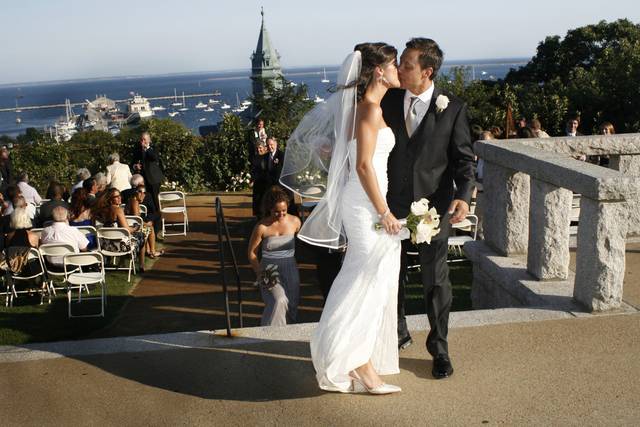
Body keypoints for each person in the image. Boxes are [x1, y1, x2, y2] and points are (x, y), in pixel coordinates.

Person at [281, 43, 405, 394]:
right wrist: (384, 213)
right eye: (393, 64)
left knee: (367, 278)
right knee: (364, 279)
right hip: (366, 205)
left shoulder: (367, 109)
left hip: (367, 200)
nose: (397, 71)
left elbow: (350, 159)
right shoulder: (367, 109)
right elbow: (364, 165)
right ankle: (360, 364)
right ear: (379, 71)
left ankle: (351, 355)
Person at [381, 38, 476, 379]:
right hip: (390, 209)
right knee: (391, 276)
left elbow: (464, 161)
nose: (400, 70)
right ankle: (397, 331)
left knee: (436, 282)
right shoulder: (388, 100)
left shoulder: (452, 108)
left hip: (432, 212)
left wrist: (463, 195)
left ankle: (439, 349)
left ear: (427, 71)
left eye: (406, 65)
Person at [247, 186, 301, 326]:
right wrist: (260, 273)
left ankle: (288, 336)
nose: (281, 214)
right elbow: (252, 253)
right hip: (269, 270)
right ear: (269, 209)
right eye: (277, 211)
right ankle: (270, 335)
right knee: (278, 301)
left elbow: (303, 243)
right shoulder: (262, 227)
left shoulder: (295, 221)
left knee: (292, 303)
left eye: (284, 210)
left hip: (290, 267)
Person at [92, 188, 146, 273]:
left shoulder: (99, 211)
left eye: (120, 195)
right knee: (141, 235)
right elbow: (127, 230)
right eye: (116, 197)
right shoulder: (118, 210)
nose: (120, 198)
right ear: (110, 199)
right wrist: (136, 227)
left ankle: (122, 262)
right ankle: (141, 265)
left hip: (103, 245)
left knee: (122, 237)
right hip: (120, 247)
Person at [125, 184, 163, 258]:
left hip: (129, 227)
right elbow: (137, 220)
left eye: (144, 193)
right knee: (150, 227)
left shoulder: (129, 200)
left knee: (149, 226)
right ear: (137, 192)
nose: (143, 195)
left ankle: (149, 250)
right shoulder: (135, 203)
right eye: (141, 192)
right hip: (134, 229)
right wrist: (147, 224)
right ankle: (152, 252)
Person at [133, 132, 165, 212]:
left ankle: (157, 218)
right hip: (142, 180)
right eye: (141, 139)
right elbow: (133, 162)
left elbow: (155, 158)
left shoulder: (153, 148)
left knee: (155, 199)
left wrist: (147, 148)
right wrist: (135, 166)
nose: (142, 141)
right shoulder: (137, 150)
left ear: (149, 140)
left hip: (153, 178)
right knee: (144, 199)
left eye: (144, 139)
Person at [251, 143, 269, 217]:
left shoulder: (268, 157)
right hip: (258, 184)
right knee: (258, 203)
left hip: (266, 184)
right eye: (257, 148)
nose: (259, 150)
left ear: (265, 148)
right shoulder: (255, 158)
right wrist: (252, 179)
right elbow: (254, 170)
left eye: (260, 148)